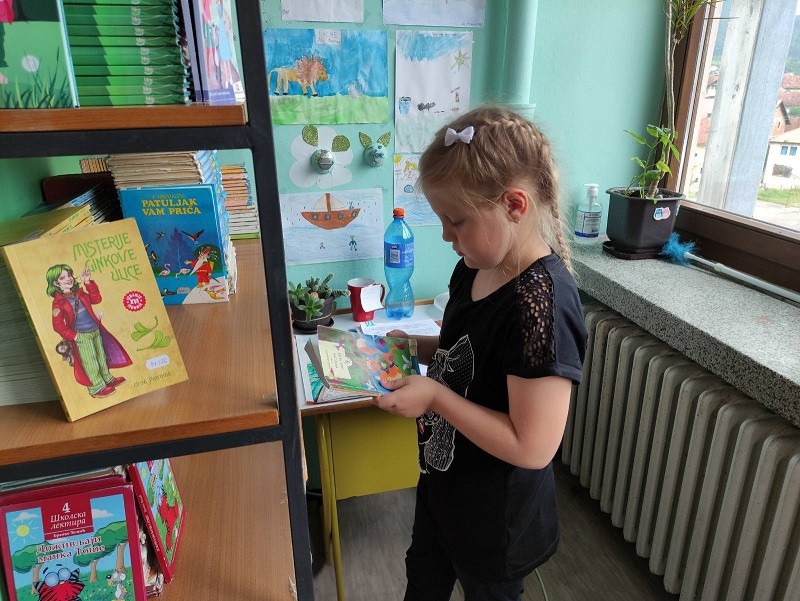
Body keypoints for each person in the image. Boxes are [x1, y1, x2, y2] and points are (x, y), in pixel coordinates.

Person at [374, 106, 588, 601]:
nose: (446, 236)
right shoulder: (474, 266)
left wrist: (434, 397)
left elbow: (532, 447)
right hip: (444, 485)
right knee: (422, 581)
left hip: (495, 521)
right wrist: (414, 347)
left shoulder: (540, 305)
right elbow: (467, 351)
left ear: (514, 205)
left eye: (456, 221)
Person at [47, 263, 131, 398]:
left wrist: (87, 282)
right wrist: (74, 336)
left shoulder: (79, 293)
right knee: (90, 362)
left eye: (69, 275)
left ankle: (107, 379)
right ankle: (96, 388)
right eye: (62, 278)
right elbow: (57, 325)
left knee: (101, 357)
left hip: (95, 330)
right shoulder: (58, 302)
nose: (68, 279)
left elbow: (96, 299)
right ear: (56, 283)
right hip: (81, 335)